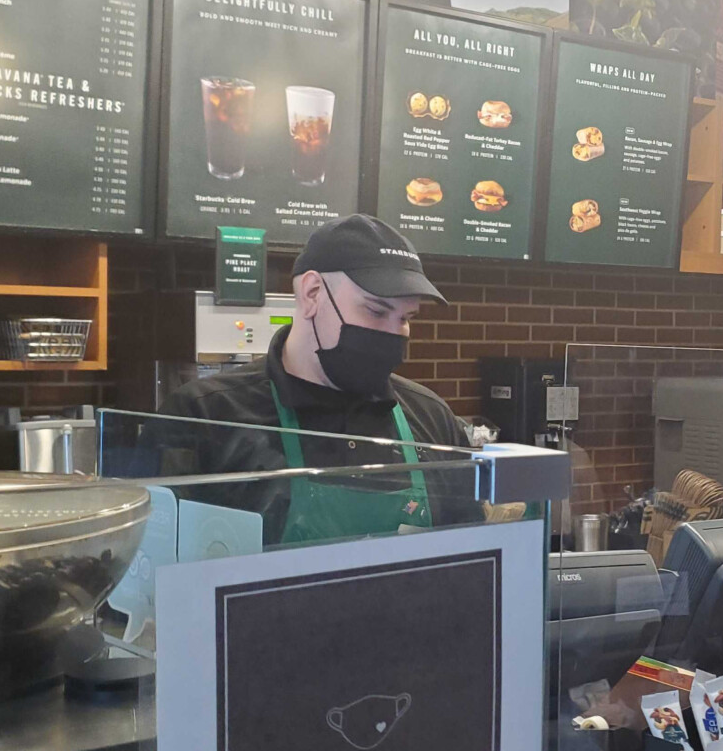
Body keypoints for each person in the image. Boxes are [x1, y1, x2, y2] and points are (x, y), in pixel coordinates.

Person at [156, 214, 480, 544]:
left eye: (406, 318)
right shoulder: (204, 417)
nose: (393, 333)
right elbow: (156, 577)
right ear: (312, 293)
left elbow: (475, 558)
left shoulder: (432, 419)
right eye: (376, 311)